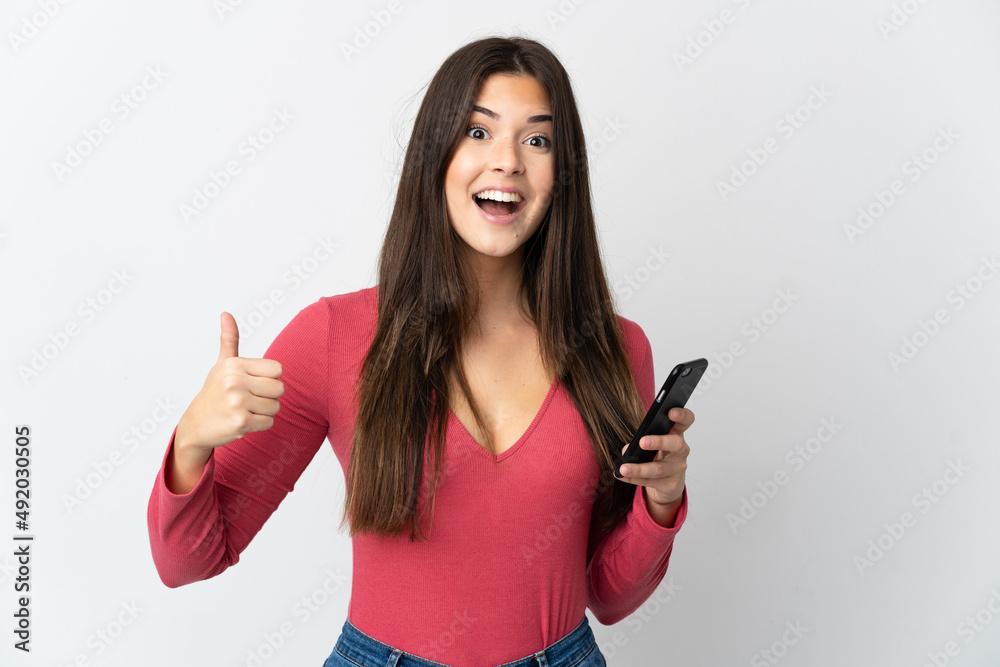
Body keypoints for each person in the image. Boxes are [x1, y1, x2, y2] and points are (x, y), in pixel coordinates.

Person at [147, 35, 694, 667]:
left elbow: (609, 595)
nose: (508, 161)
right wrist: (192, 440)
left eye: (537, 140)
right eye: (478, 132)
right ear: (435, 155)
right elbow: (187, 563)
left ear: (561, 174)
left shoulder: (616, 350)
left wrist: (661, 501)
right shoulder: (334, 337)